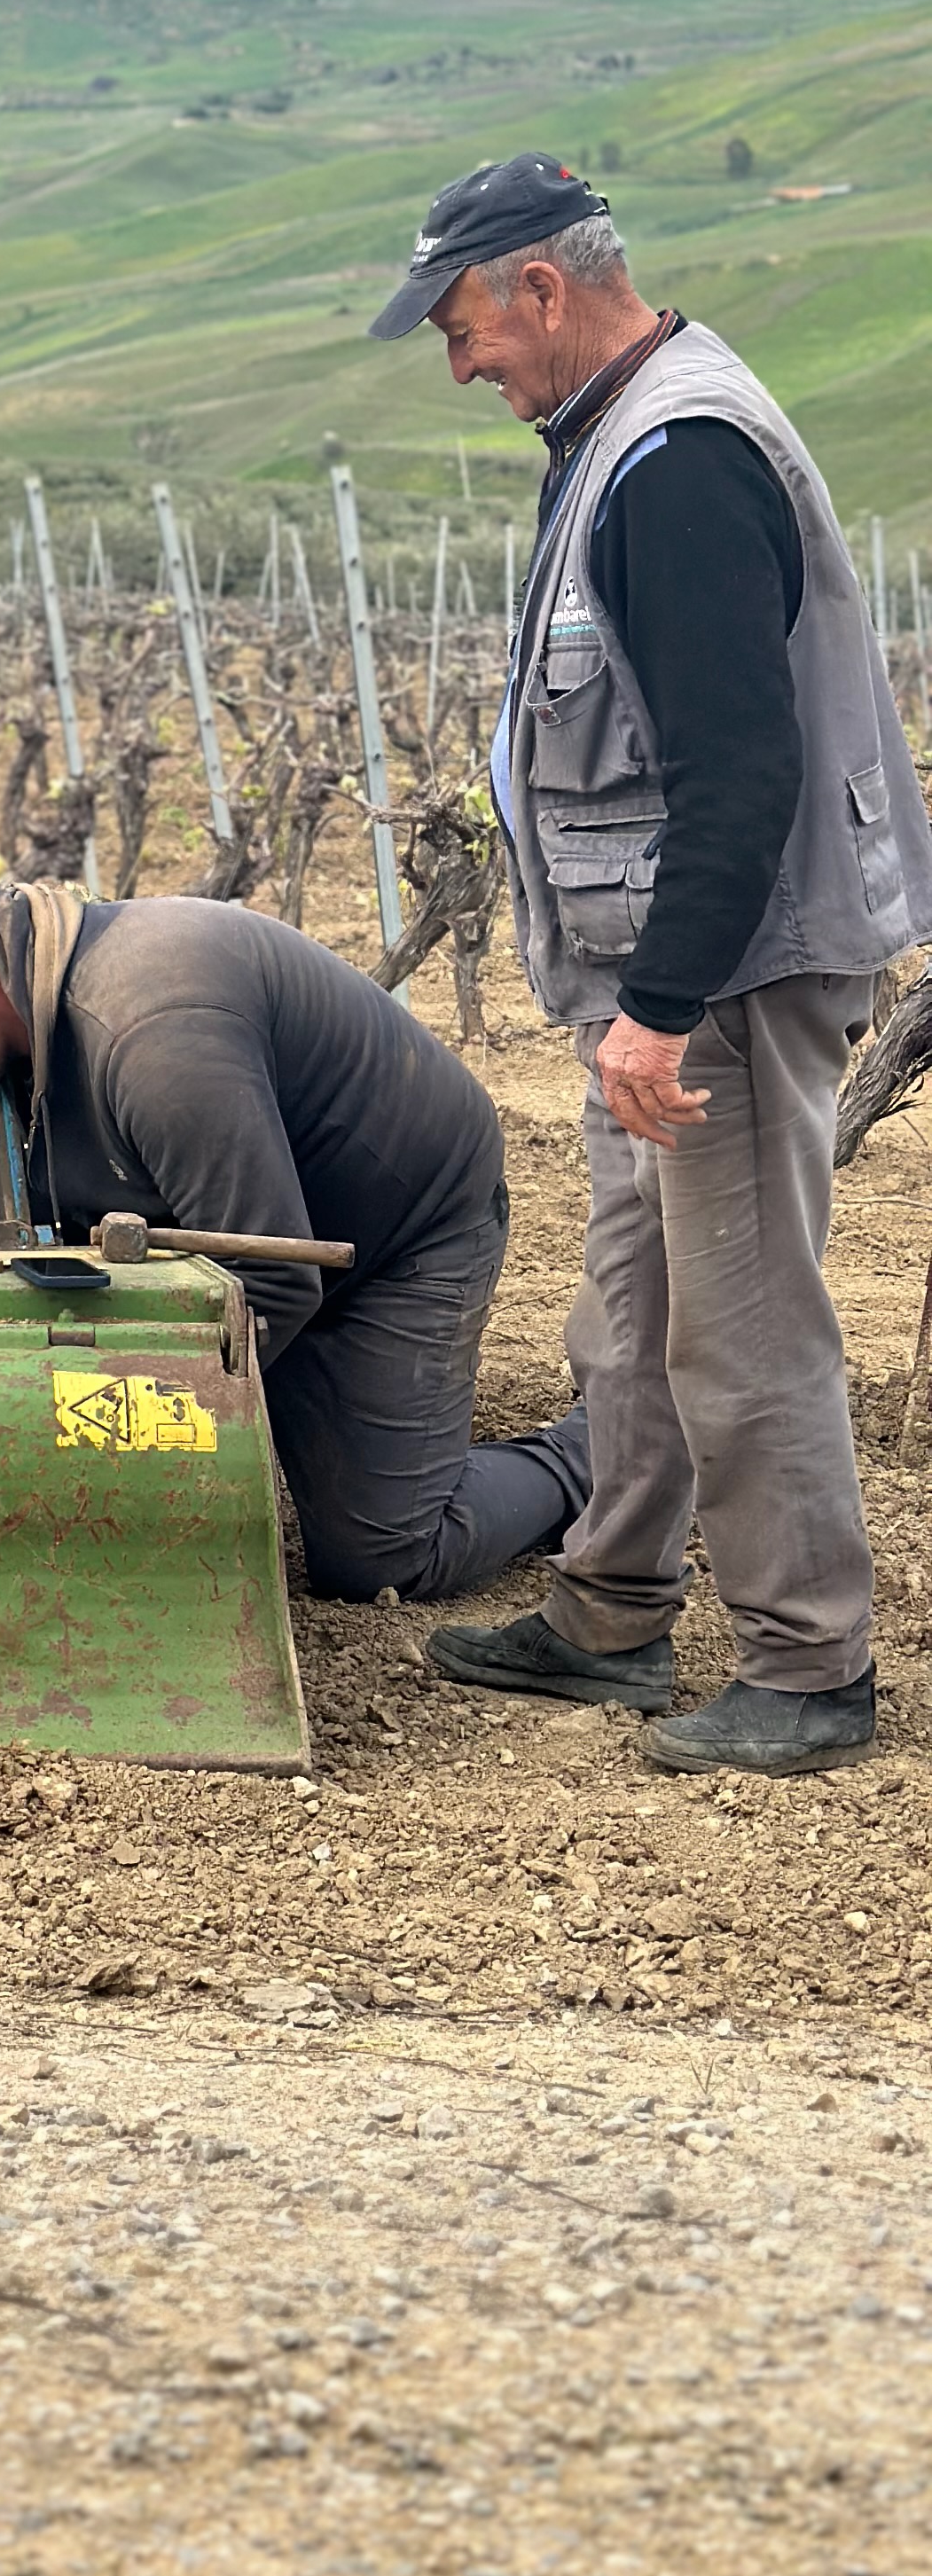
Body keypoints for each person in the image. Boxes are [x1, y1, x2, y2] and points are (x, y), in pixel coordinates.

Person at [372, 152, 932, 1773]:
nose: (457, 359)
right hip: (663, 982)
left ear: (540, 286)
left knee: (739, 1318)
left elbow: (737, 768)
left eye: (460, 324)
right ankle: (607, 1613)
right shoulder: (614, 436)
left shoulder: (677, 461)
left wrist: (664, 1007)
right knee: (629, 1306)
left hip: (725, 979)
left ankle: (805, 1662)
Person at [0, 861, 591, 1606]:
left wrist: (107, 1426)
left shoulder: (150, 1033)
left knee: (381, 1555)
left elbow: (280, 1281)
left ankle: (603, 1450)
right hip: (244, 1233)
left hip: (399, 1236)